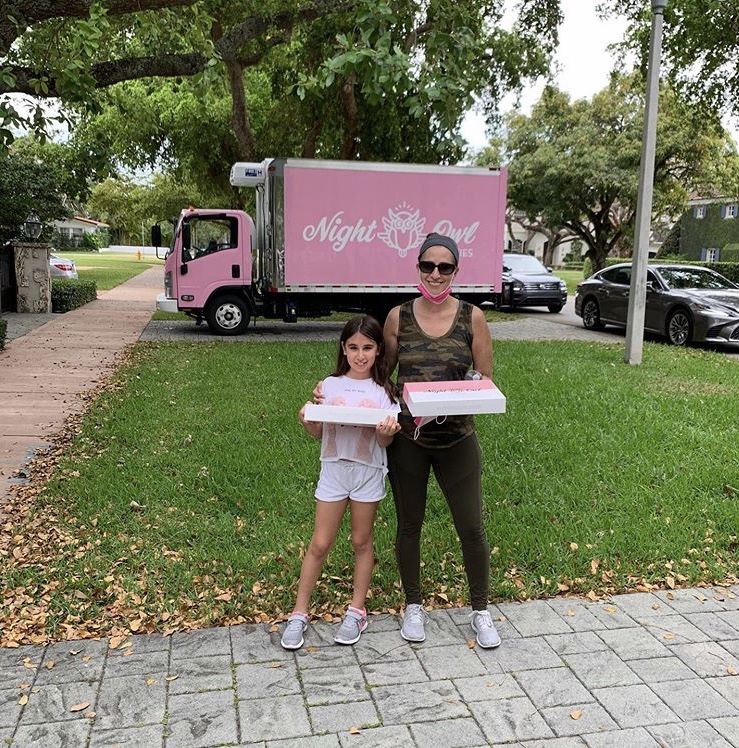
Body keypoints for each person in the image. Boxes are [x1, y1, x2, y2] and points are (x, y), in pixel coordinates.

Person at [383, 232, 501, 649]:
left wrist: (459, 393)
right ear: (417, 268)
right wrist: (337, 392)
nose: (435, 274)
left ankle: (481, 610)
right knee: (409, 525)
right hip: (410, 441)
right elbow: (381, 376)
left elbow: (485, 380)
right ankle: (413, 605)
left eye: (444, 267)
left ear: (456, 271)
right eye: (427, 266)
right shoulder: (398, 317)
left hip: (457, 440)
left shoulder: (473, 317)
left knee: (471, 527)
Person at [281, 315, 401, 650]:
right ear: (343, 349)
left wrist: (384, 433)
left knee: (361, 540)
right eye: (353, 347)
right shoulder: (329, 386)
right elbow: (319, 431)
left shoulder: (384, 393)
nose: (360, 355)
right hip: (333, 471)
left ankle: (356, 610)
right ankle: (299, 611)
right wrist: (306, 419)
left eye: (367, 347)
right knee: (320, 543)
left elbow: (385, 443)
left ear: (378, 350)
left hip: (367, 473)